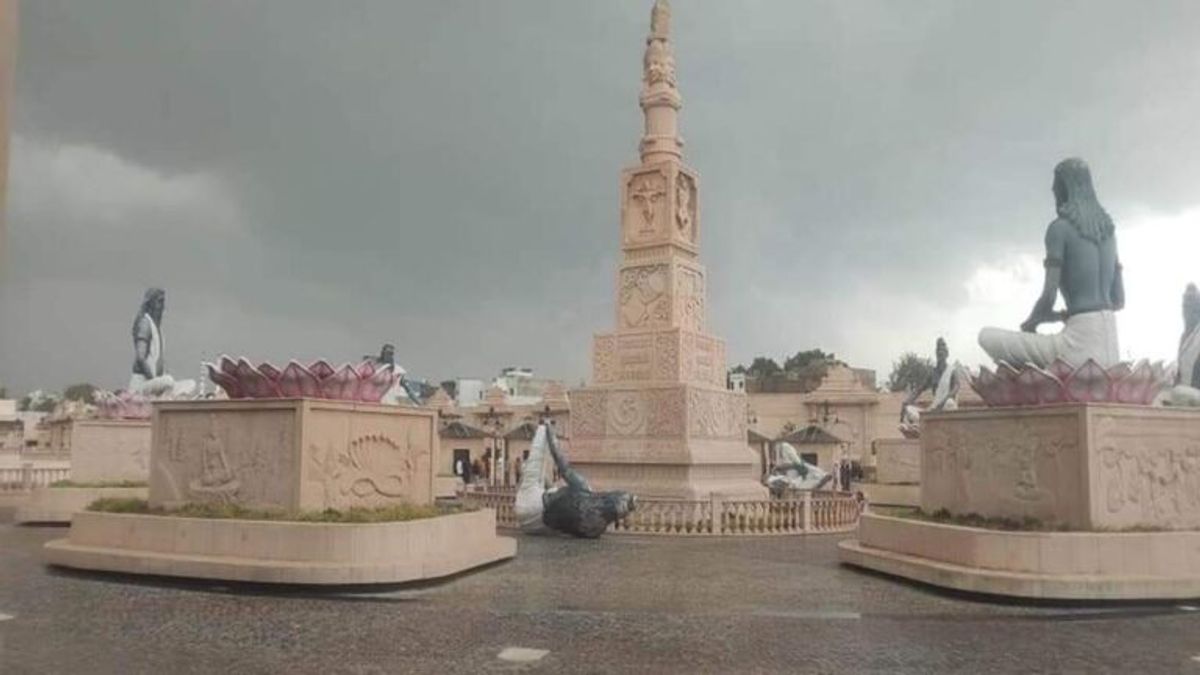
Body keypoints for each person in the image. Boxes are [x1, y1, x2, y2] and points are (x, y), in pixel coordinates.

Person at [979, 158, 1123, 369]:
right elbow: (1119, 301)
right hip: (1112, 346)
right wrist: (1063, 316)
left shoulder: (1059, 229)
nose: (1053, 191)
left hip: (1077, 346)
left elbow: (1049, 296)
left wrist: (1033, 322)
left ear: (1065, 188)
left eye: (1056, 186)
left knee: (986, 336)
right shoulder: (1109, 233)